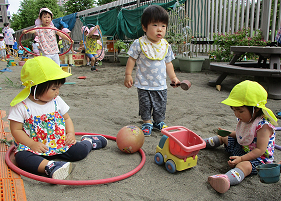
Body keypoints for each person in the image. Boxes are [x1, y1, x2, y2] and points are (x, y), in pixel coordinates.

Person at [8, 56, 107, 180]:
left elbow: (67, 119)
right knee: (21, 158)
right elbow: (16, 130)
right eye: (54, 89)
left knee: (79, 152)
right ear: (36, 87)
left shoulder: (56, 101)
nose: (57, 92)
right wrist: (32, 144)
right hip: (33, 146)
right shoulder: (21, 106)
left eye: (58, 88)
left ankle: (89, 142)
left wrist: (70, 133)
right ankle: (50, 166)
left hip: (58, 142)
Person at [204, 80, 278, 193]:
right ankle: (201, 143)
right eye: (234, 110)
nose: (237, 114)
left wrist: (242, 159)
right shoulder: (248, 117)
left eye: (240, 111)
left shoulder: (263, 127)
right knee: (224, 138)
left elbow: (260, 150)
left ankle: (226, 179)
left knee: (244, 166)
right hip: (244, 148)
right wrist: (229, 133)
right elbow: (243, 135)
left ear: (256, 109)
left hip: (257, 158)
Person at [124, 5, 180, 136]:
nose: (159, 29)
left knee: (160, 104)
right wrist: (128, 75)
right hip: (144, 84)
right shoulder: (139, 43)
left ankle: (159, 121)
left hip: (160, 84)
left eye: (163, 26)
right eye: (155, 25)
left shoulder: (165, 45)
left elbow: (168, 63)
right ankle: (147, 122)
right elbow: (131, 59)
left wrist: (173, 78)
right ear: (144, 27)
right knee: (145, 104)